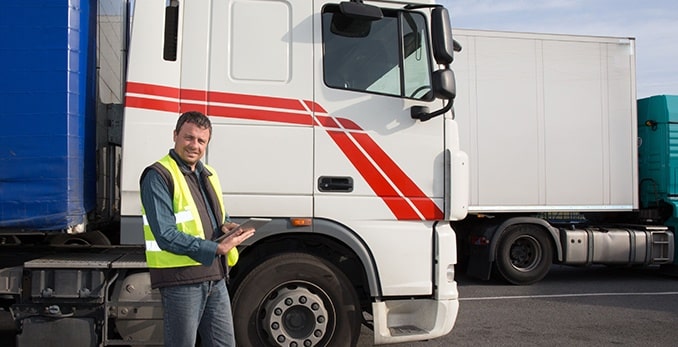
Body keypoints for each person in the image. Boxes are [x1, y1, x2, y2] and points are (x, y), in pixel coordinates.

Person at [139, 110, 255, 347]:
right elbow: (165, 235)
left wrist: (228, 226)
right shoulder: (158, 175)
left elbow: (219, 216)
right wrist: (216, 247)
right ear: (175, 136)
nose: (194, 145)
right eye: (189, 137)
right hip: (181, 280)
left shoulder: (209, 174)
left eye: (201, 141)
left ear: (207, 144)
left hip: (216, 277)